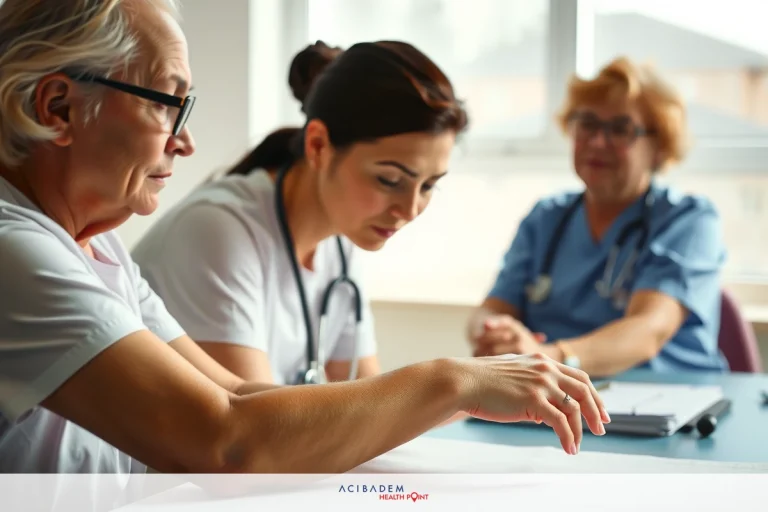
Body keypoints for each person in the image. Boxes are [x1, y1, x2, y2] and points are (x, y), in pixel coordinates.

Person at [0, 0, 609, 478]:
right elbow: (229, 439)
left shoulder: (96, 247)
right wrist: (456, 380)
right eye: (167, 107)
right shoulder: (14, 252)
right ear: (58, 108)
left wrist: (475, 389)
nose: (184, 143)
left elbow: (236, 391)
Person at [132, 42, 384, 386]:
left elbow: (366, 403)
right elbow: (253, 421)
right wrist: (448, 383)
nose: (410, 208)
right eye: (390, 179)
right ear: (318, 146)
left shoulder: (343, 240)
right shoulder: (216, 227)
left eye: (429, 185)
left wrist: (467, 381)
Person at [468, 57, 728, 377]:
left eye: (621, 129)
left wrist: (546, 358)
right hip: (553, 399)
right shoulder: (546, 218)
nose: (597, 141)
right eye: (587, 124)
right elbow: (492, 308)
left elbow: (647, 332)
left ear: (659, 146)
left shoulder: (688, 220)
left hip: (668, 404)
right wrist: (495, 333)